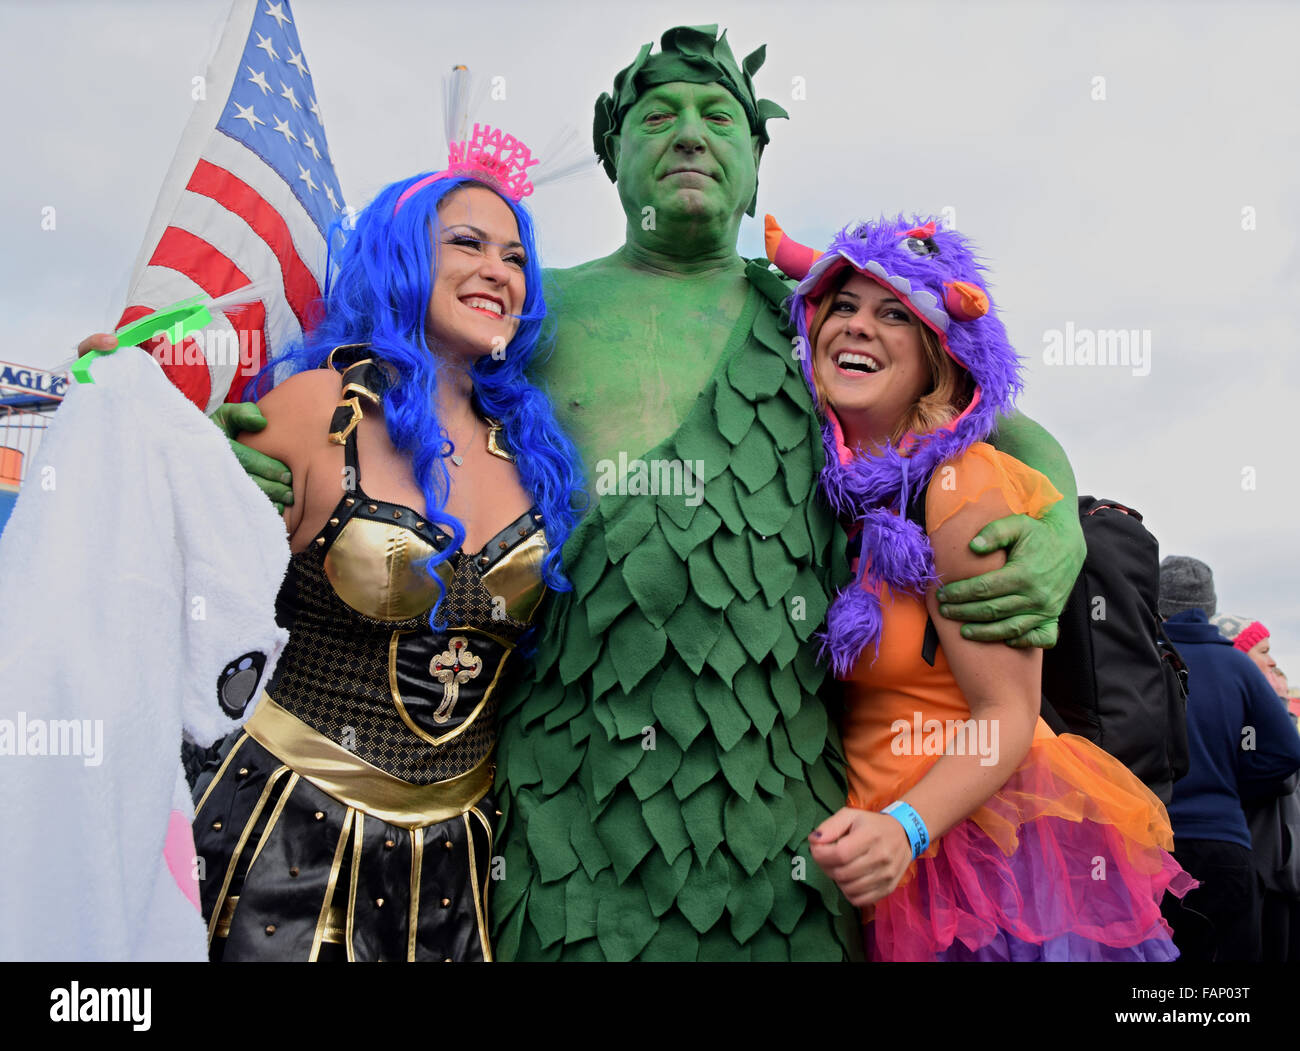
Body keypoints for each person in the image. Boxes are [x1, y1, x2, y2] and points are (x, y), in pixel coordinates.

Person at [107, 25, 1090, 960]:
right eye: (658, 118)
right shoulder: (529, 310)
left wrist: (1060, 513)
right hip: (555, 813)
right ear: (611, 155)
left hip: (778, 815)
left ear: (756, 164)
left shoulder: (815, 326)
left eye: (719, 117)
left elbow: (984, 410)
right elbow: (379, 385)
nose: (691, 135)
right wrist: (240, 467)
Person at [91, 133, 584, 961]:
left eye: (513, 256)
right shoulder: (323, 409)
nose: (497, 269)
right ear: (399, 257)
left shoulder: (537, 454)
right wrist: (126, 413)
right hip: (278, 840)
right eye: (464, 242)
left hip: (458, 866)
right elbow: (168, 558)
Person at [781, 215, 1194, 960]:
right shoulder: (834, 502)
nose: (858, 326)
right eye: (841, 305)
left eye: (894, 313)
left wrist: (904, 826)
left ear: (936, 357)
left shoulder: (957, 482)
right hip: (885, 864)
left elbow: (1007, 711)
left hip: (987, 864)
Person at [1159, 558, 1300, 962]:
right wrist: (1231, 781)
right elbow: (1286, 753)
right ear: (1210, 603)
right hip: (1225, 843)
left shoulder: (1143, 662)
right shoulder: (1236, 664)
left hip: (1150, 845)